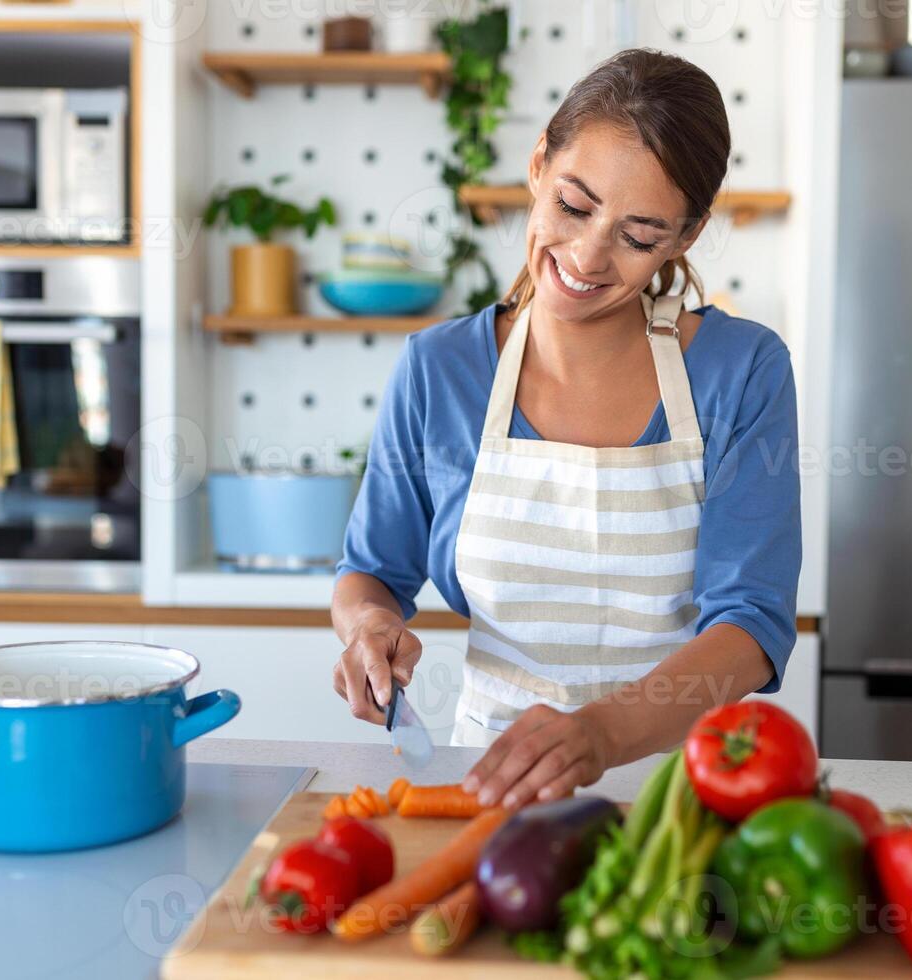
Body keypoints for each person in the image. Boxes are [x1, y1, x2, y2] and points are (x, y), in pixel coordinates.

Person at [331, 48, 801, 810]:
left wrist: (601, 735)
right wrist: (368, 628)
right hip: (487, 794)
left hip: (681, 801)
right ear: (538, 166)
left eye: (638, 234)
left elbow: (750, 624)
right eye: (573, 206)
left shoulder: (740, 369)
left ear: (684, 236)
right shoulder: (438, 368)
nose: (586, 257)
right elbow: (371, 572)